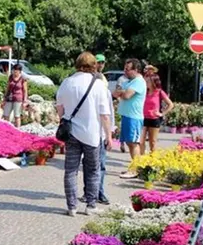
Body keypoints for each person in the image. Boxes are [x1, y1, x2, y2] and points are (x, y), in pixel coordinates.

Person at [56, 52, 113, 217]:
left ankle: (72, 206)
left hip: (71, 132)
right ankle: (90, 205)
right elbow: (104, 114)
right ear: (93, 65)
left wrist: (64, 120)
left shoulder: (67, 82)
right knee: (93, 170)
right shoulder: (98, 85)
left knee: (70, 170)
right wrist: (108, 135)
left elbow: (59, 107)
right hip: (92, 134)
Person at [114, 59, 146, 177]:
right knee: (129, 142)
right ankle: (134, 167)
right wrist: (123, 91)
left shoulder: (138, 81)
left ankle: (135, 170)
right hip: (127, 116)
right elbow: (116, 93)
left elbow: (126, 95)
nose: (125, 71)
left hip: (134, 117)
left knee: (133, 143)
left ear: (136, 70)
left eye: (128, 69)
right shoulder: (129, 81)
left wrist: (122, 92)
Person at [93, 54, 115, 205]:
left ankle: (97, 192)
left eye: (102, 62)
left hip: (98, 132)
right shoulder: (96, 88)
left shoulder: (105, 90)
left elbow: (109, 114)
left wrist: (109, 133)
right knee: (96, 165)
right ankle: (93, 192)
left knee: (99, 164)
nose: (101, 64)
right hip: (93, 132)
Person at [141, 71, 174, 155]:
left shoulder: (159, 92)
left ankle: (153, 160)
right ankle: (141, 159)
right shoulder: (145, 92)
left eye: (148, 82)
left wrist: (162, 113)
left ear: (153, 83)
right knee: (141, 141)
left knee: (152, 142)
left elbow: (170, 104)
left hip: (154, 119)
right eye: (146, 81)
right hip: (143, 118)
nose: (147, 83)